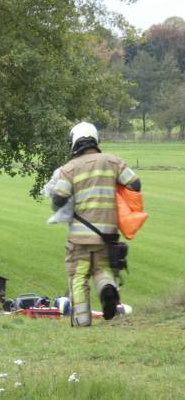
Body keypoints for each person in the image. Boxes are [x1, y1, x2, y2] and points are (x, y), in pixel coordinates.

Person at [51, 121, 141, 327]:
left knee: (79, 275)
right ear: (95, 139)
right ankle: (107, 289)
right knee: (102, 269)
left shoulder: (69, 168)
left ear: (74, 141)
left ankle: (81, 320)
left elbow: (58, 199)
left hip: (80, 238)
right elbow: (135, 184)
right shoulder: (113, 161)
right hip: (107, 234)